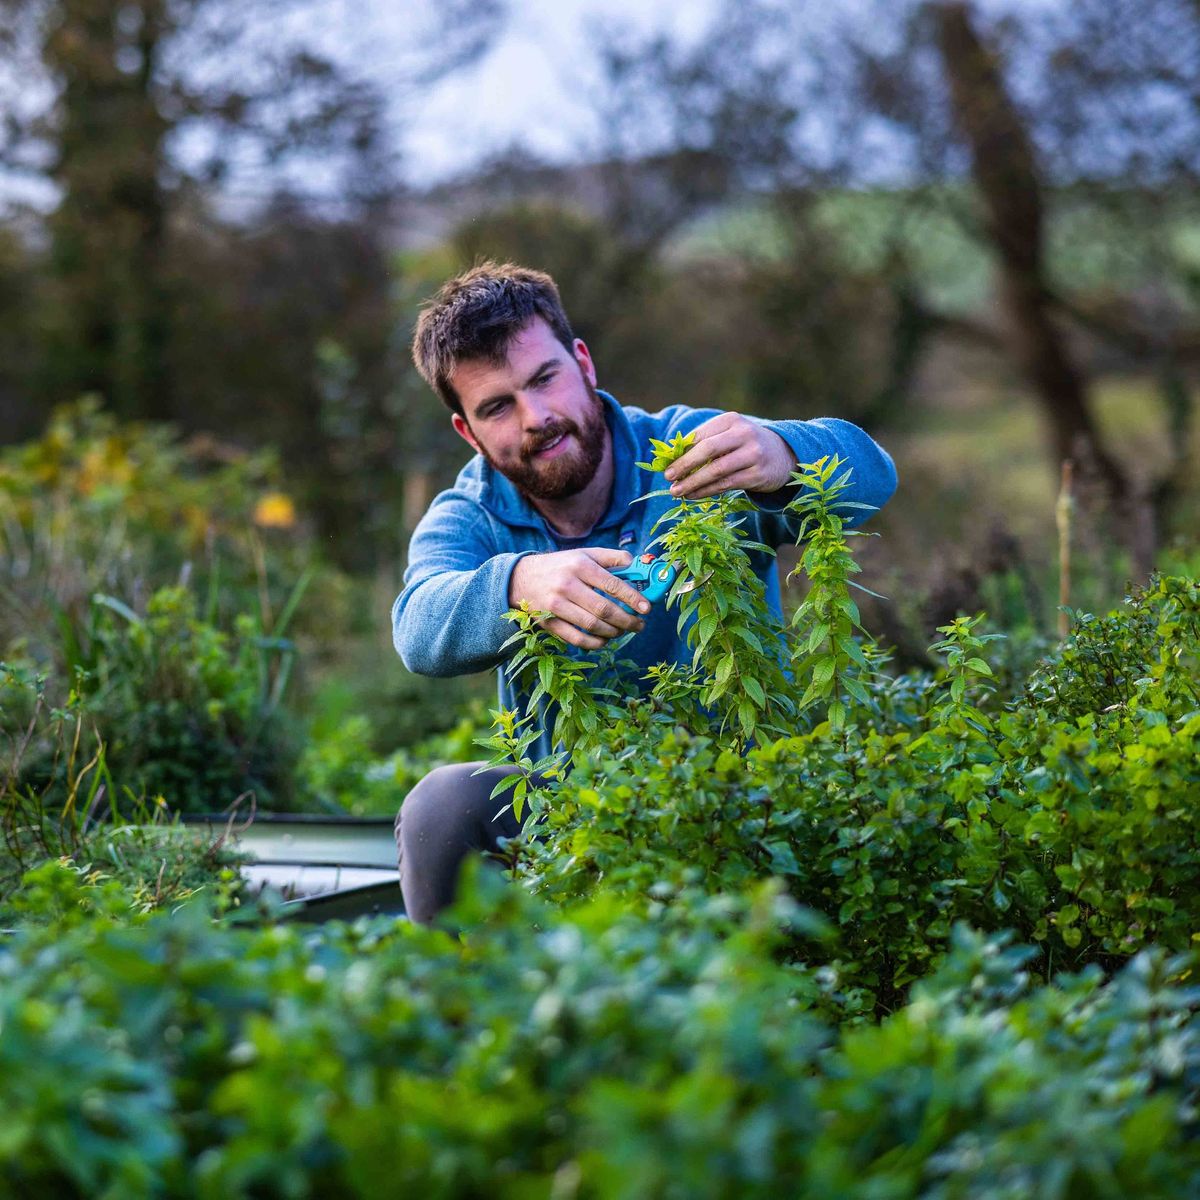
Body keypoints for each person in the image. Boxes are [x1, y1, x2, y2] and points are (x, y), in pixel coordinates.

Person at [391, 261, 897, 923]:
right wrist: (516, 584)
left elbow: (873, 477)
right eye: (497, 407)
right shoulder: (472, 516)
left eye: (545, 379)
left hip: (743, 798)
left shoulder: (689, 452)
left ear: (583, 363)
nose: (537, 417)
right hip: (574, 822)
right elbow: (417, 625)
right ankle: (480, 1012)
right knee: (441, 806)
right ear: (468, 430)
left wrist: (785, 455)